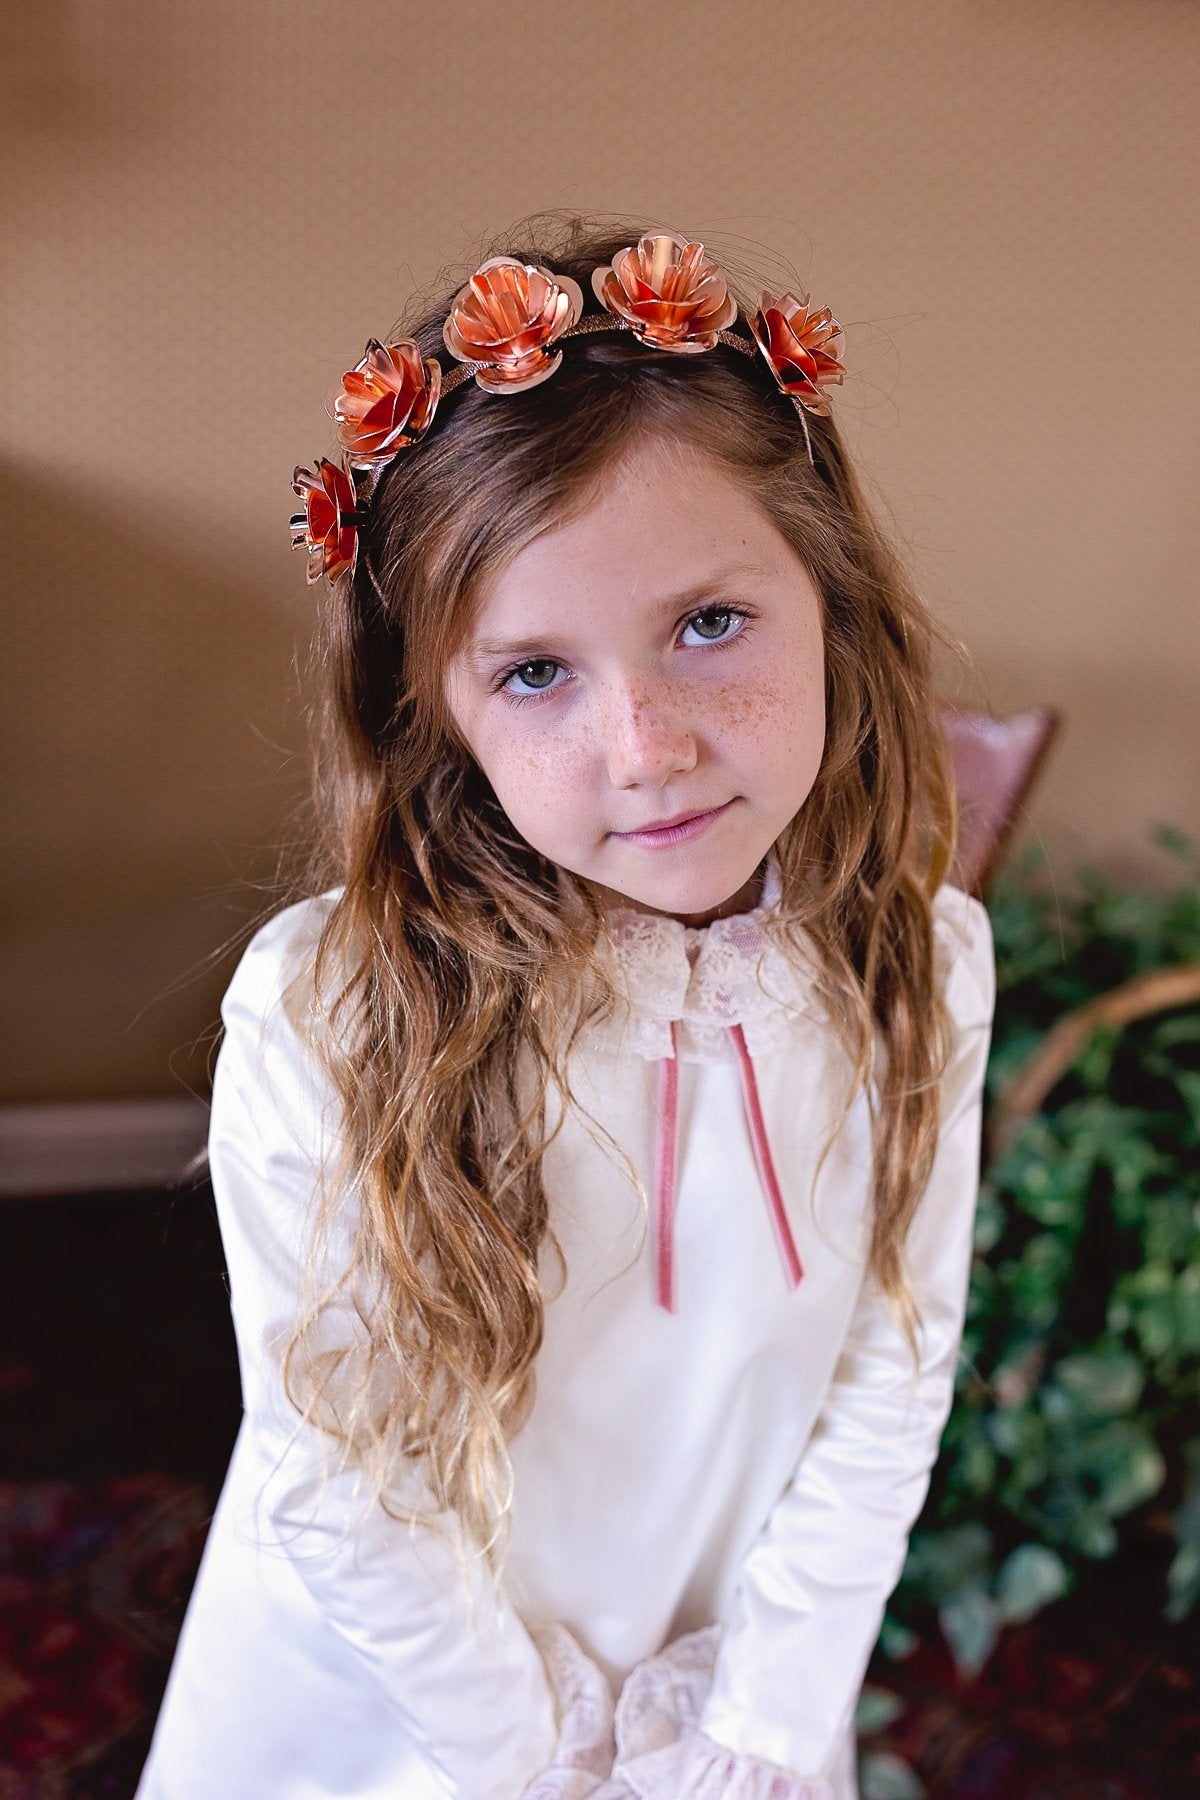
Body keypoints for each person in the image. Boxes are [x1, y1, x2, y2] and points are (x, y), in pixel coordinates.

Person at [136, 218, 995, 1800]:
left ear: (832, 596)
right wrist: (529, 1760)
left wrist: (756, 1724)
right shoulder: (330, 1010)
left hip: (721, 1687)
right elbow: (343, 1474)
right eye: (536, 673)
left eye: (710, 624)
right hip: (418, 1708)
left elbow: (895, 1363)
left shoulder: (926, 960)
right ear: (436, 712)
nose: (648, 748)